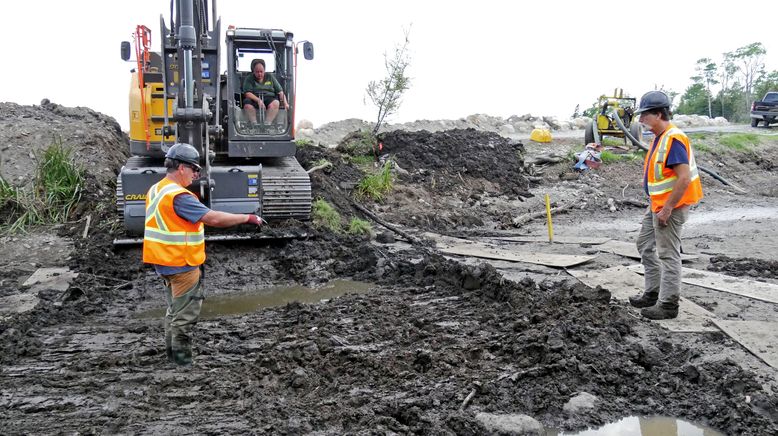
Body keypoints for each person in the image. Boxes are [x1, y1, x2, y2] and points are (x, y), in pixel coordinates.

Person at [142, 143, 266, 366]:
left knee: (173, 311)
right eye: (194, 169)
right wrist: (247, 218)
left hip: (163, 262)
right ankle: (181, 362)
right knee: (184, 316)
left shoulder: (157, 189)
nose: (196, 174)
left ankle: (172, 357)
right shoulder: (179, 196)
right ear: (181, 168)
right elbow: (214, 219)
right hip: (182, 263)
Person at [628, 91, 703, 320]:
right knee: (644, 244)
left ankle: (668, 305)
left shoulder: (674, 138)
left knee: (668, 254)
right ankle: (653, 292)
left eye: (645, 116)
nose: (641, 120)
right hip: (657, 205)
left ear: (659, 114)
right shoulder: (660, 138)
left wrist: (668, 208)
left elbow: (683, 178)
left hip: (670, 207)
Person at [242, 58, 289, 125]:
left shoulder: (270, 77)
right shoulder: (249, 78)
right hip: (254, 99)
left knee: (276, 103)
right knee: (247, 106)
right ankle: (254, 125)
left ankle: (267, 124)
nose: (259, 74)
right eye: (257, 72)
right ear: (253, 71)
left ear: (264, 70)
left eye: (261, 71)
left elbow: (280, 91)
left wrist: (286, 103)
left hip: (269, 98)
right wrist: (258, 100)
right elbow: (247, 93)